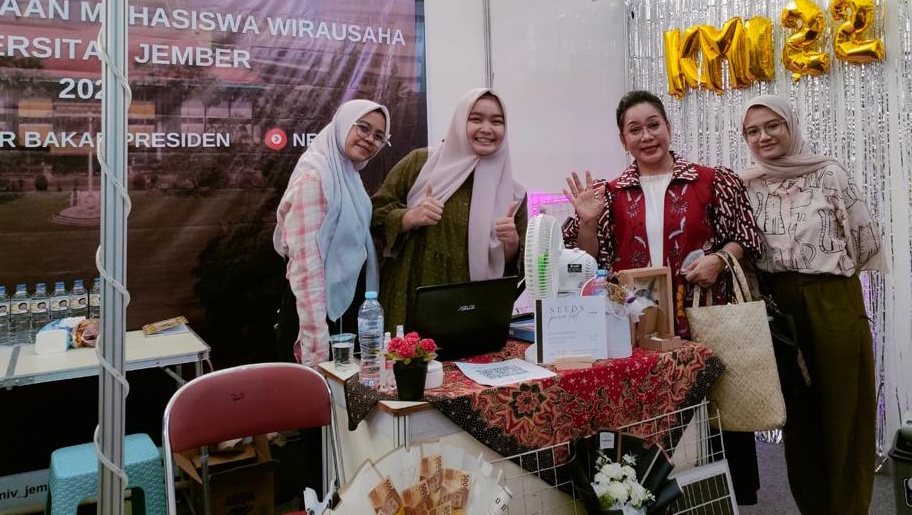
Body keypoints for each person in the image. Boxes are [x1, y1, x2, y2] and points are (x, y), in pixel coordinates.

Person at [562, 89, 762, 505]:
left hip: (706, 318)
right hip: (637, 328)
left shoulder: (713, 180)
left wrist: (719, 259)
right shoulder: (608, 194)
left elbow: (745, 236)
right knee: (650, 422)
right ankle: (651, 499)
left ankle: (722, 502)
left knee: (716, 418)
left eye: (653, 125)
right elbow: (587, 260)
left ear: (668, 127)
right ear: (623, 140)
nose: (646, 136)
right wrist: (587, 222)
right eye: (634, 130)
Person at [740, 95, 885, 515]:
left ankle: (849, 507)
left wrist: (821, 273)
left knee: (844, 410)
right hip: (780, 308)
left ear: (790, 125)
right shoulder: (746, 185)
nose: (764, 136)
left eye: (772, 125)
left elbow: (864, 241)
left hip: (832, 301)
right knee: (798, 418)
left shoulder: (828, 174)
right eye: (753, 131)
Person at [372, 88, 527, 332]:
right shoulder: (421, 163)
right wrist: (410, 217)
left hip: (471, 309)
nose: (487, 128)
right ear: (459, 122)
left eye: (497, 122)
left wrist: (511, 243)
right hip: (411, 297)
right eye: (476, 119)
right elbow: (375, 215)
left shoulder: (513, 192)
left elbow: (514, 268)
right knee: (412, 356)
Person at [273, 98, 391, 369]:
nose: (370, 139)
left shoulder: (349, 177)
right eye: (363, 128)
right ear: (343, 125)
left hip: (343, 310)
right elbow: (307, 269)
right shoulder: (316, 179)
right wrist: (317, 349)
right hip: (313, 316)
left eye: (379, 136)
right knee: (315, 395)